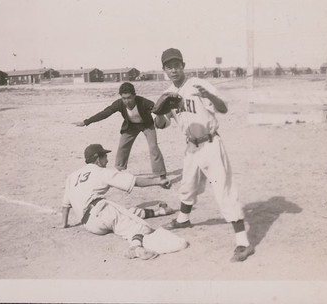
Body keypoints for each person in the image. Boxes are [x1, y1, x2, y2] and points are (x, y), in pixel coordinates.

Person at [154, 48, 254, 262]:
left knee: (224, 191)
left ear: (183, 66)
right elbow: (161, 124)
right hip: (191, 146)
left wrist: (208, 96)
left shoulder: (198, 85)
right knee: (187, 185)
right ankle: (183, 219)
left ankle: (243, 242)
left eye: (177, 65)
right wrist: (159, 113)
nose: (173, 70)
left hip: (210, 143)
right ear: (164, 69)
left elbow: (223, 108)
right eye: (169, 66)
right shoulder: (169, 92)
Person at [60, 144, 188, 260]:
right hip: (102, 212)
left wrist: (64, 224)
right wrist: (158, 182)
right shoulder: (100, 172)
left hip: (90, 225)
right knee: (141, 227)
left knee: (126, 213)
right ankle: (135, 248)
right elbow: (134, 181)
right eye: (104, 156)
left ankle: (160, 211)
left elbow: (65, 206)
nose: (107, 159)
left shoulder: (72, 177)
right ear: (97, 158)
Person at [75, 82, 168, 184]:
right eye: (124, 98)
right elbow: (105, 113)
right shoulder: (119, 104)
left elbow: (158, 111)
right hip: (131, 126)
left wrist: (161, 110)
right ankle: (118, 171)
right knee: (122, 146)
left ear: (134, 95)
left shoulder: (143, 102)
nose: (126, 101)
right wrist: (86, 121)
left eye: (129, 98)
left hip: (147, 125)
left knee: (153, 147)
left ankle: (161, 174)